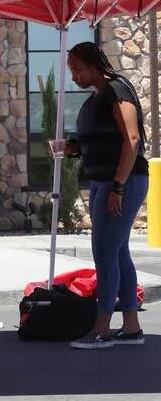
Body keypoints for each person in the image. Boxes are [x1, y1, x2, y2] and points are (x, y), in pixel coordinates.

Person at [61, 41, 149, 349]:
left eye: (78, 69)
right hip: (104, 181)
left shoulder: (116, 90)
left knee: (105, 253)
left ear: (94, 64)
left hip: (122, 181)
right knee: (118, 252)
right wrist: (71, 148)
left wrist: (118, 187)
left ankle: (101, 329)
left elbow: (132, 139)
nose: (74, 76)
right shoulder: (97, 97)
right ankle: (132, 327)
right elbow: (100, 140)